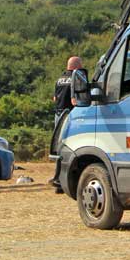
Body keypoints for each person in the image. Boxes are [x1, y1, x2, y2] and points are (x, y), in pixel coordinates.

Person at [49, 56, 83, 190]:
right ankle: (62, 180)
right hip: (70, 115)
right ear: (77, 66)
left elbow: (54, 98)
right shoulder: (77, 78)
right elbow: (77, 99)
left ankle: (58, 179)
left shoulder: (60, 79)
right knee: (72, 146)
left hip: (58, 115)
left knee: (60, 146)